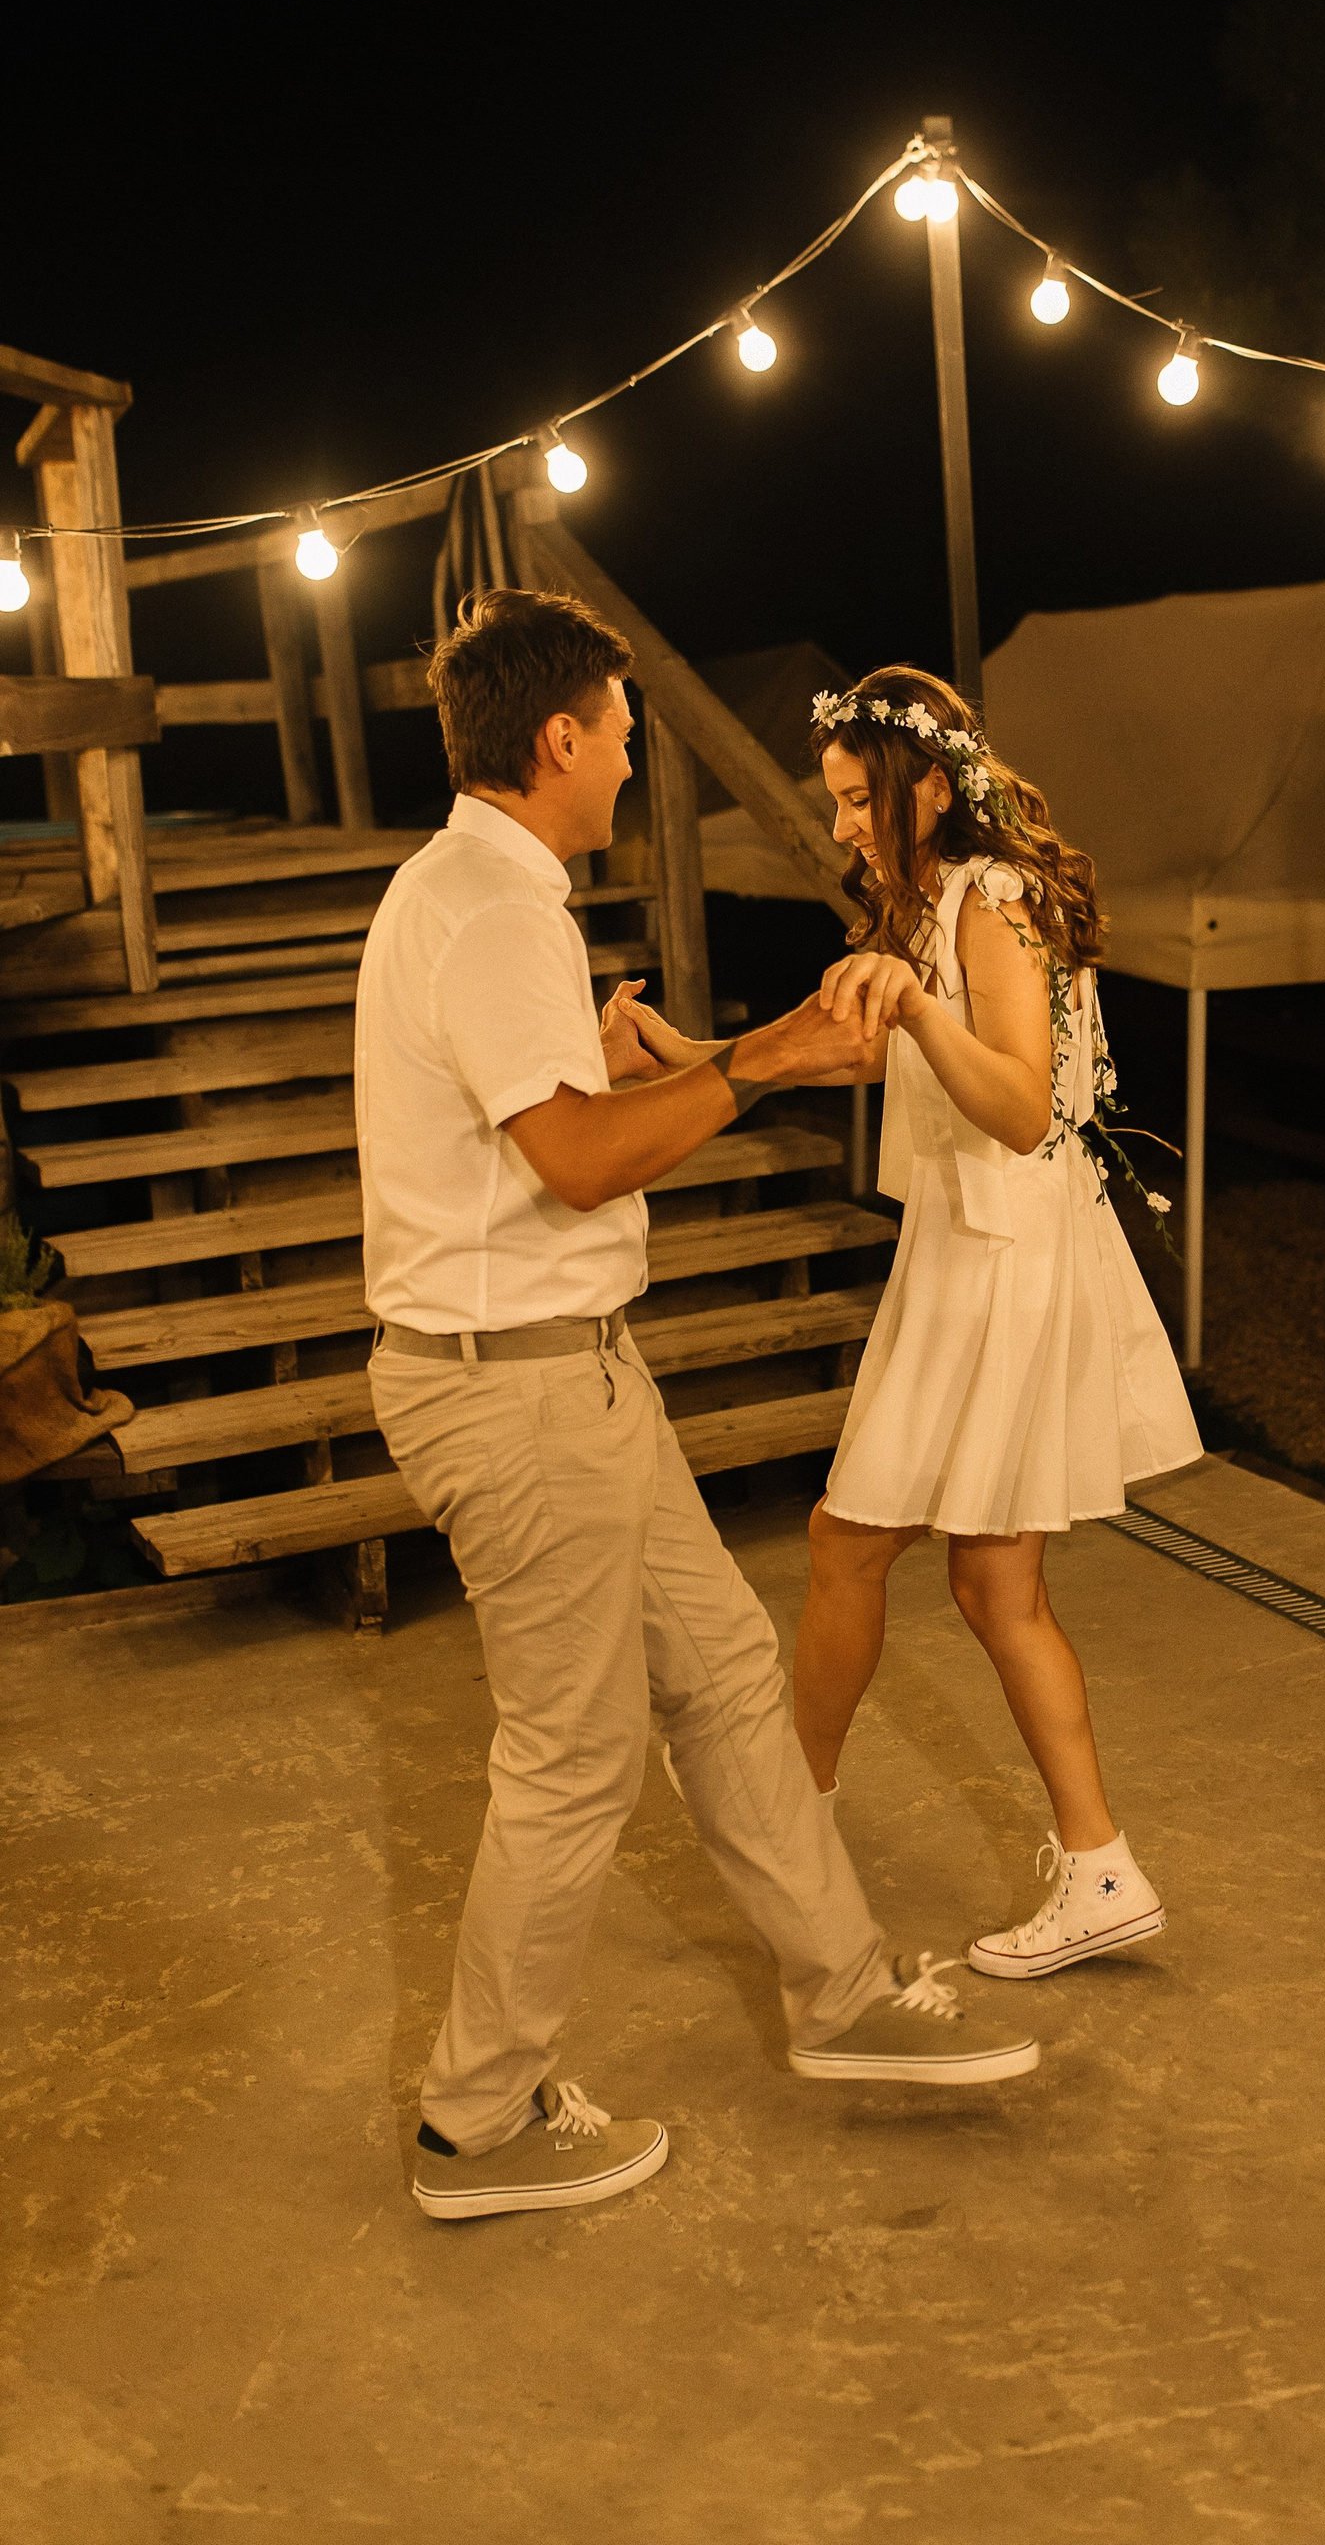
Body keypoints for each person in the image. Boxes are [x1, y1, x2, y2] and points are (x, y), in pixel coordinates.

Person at [357, 592, 1039, 2226]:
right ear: (558, 741)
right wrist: (763, 1062)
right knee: (575, 1756)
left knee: (728, 1676)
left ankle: (843, 1993)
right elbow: (579, 1162)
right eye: (619, 730)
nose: (629, 757)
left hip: (571, 1368)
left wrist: (698, 1060)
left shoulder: (473, 893)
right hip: (515, 1389)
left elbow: (556, 1123)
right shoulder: (491, 910)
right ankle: (477, 2122)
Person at [620, 667, 1200, 1983]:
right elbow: (852, 1049)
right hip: (976, 1250)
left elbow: (1023, 1107)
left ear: (929, 785)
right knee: (993, 1584)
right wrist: (684, 1054)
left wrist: (922, 1003)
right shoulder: (936, 897)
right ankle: (1102, 1870)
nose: (840, 827)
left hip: (1000, 1258)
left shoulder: (991, 897)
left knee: (848, 1542)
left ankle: (788, 1821)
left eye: (852, 800)